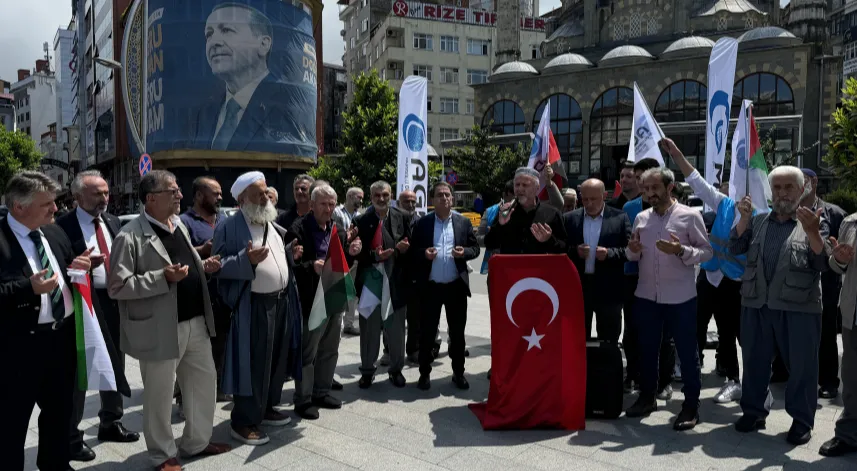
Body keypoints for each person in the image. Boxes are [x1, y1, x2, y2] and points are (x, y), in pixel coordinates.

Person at [108, 170, 230, 471]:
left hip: (196, 322)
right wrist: (161, 277)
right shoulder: (129, 236)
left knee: (203, 384)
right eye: (172, 191)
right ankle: (162, 455)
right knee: (159, 396)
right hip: (159, 328)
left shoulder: (179, 225)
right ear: (151, 198)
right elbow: (118, 286)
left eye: (178, 190)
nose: (179, 195)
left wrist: (203, 266)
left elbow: (185, 264)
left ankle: (197, 442)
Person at [729, 166, 830, 446]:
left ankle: (802, 421)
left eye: (788, 187)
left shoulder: (814, 220)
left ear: (802, 190)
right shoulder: (758, 221)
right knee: (754, 362)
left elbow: (823, 263)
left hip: (799, 307)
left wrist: (813, 232)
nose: (782, 193)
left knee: (802, 367)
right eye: (777, 187)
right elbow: (735, 248)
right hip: (757, 304)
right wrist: (743, 220)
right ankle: (753, 412)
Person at [2, 171, 92, 471]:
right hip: (18, 349)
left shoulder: (54, 232)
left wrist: (77, 268)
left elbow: (64, 271)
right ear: (19, 207)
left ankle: (56, 465)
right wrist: (27, 288)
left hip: (61, 341)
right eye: (47, 204)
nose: (56, 208)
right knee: (11, 423)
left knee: (59, 414)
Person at [213, 171, 303, 446]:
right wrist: (246, 260)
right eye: (258, 194)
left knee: (275, 360)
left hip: (281, 301)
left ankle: (266, 408)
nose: (265, 198)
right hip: (253, 306)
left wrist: (290, 256)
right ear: (242, 199)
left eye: (265, 192)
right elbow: (217, 267)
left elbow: (276, 258)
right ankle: (243, 421)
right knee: (253, 364)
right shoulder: (228, 227)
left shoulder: (270, 222)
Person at [56, 170, 137, 463]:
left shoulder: (112, 221)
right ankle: (71, 436)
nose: (104, 198)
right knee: (81, 367)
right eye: (97, 194)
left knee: (115, 361)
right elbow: (57, 267)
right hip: (83, 302)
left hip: (114, 300)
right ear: (78, 196)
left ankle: (111, 421)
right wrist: (80, 265)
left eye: (106, 192)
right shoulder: (62, 227)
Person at [624, 166, 712, 431]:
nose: (650, 193)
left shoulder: (689, 216)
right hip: (646, 296)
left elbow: (706, 252)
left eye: (655, 188)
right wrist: (632, 250)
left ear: (670, 187)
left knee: (687, 353)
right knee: (647, 350)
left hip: (680, 299)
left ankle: (691, 405)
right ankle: (647, 397)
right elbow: (633, 256)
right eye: (646, 189)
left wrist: (680, 250)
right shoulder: (641, 218)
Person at [663, 138, 747, 404]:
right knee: (696, 324)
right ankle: (690, 368)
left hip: (735, 281)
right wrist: (677, 154)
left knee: (730, 331)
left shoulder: (760, 214)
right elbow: (697, 181)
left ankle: (735, 380)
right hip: (709, 276)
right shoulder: (724, 203)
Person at [191, 3, 314, 156]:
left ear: (263, 44)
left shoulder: (288, 104)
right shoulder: (205, 114)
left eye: (226, 30)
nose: (214, 42)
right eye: (209, 34)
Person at [287, 185, 361, 419]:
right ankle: (303, 399)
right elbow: (291, 266)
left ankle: (321, 392)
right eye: (323, 204)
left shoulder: (336, 229)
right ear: (311, 205)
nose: (328, 209)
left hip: (333, 294)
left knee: (329, 349)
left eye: (331, 204)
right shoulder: (298, 229)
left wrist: (352, 252)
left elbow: (343, 260)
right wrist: (312, 266)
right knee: (308, 354)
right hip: (311, 299)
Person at [411, 182, 480, 390]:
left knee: (457, 334)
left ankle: (458, 372)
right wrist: (424, 254)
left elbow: (475, 248)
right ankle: (424, 373)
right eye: (439, 195)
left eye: (447, 194)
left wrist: (464, 253)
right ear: (432, 200)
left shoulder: (462, 222)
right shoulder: (423, 223)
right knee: (427, 333)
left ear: (452, 198)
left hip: (455, 287)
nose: (444, 198)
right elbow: (413, 251)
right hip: (430, 287)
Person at [621, 158, 675, 395]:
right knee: (633, 330)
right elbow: (626, 243)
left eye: (651, 182)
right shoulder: (629, 208)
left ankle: (665, 380)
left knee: (665, 333)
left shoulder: (673, 207)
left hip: (665, 277)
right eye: (640, 179)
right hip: (634, 277)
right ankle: (633, 375)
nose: (644, 185)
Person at [352, 180, 413, 389]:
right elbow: (356, 252)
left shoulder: (403, 217)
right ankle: (367, 371)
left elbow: (411, 246)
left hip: (395, 280)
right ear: (371, 198)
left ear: (391, 196)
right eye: (377, 195)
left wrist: (401, 250)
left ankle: (396, 370)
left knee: (396, 330)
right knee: (369, 330)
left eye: (385, 195)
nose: (381, 198)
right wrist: (374, 256)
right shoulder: (361, 220)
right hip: (371, 281)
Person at [179, 176, 231, 403]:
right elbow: (179, 255)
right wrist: (202, 250)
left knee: (220, 343)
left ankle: (217, 386)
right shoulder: (184, 222)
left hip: (222, 295)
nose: (220, 197)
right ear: (199, 195)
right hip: (196, 297)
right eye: (215, 193)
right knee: (192, 349)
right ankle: (184, 395)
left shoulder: (224, 220)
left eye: (220, 193)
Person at [564, 178, 631, 343]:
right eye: (585, 199)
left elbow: (630, 251)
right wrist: (575, 251)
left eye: (593, 199)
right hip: (579, 288)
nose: (589, 203)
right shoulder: (569, 219)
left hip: (609, 289)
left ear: (604, 195)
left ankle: (609, 360)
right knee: (576, 339)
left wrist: (609, 253)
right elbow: (560, 248)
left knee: (609, 340)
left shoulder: (619, 218)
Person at [800, 168, 847, 399]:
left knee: (826, 332)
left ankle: (828, 381)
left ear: (815, 181)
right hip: (796, 284)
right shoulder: (789, 212)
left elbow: (844, 250)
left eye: (805, 180)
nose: (802, 184)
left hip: (826, 285)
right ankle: (783, 372)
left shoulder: (835, 214)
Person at [820, 213, 857, 457]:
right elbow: (836, 265)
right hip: (853, 314)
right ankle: (848, 434)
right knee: (852, 380)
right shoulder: (850, 223)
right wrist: (839, 259)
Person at [484, 167, 566, 255]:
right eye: (517, 185)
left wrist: (549, 240)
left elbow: (564, 248)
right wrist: (500, 225)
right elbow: (489, 244)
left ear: (537, 188)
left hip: (539, 264)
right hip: (511, 264)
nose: (520, 189)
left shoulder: (552, 213)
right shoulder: (506, 212)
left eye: (525, 185)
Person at [333, 187, 364, 336]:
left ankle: (349, 323)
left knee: (352, 292)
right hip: (340, 258)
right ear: (350, 196)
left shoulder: (359, 216)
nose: (361, 201)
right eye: (359, 197)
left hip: (355, 259)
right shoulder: (337, 213)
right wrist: (348, 236)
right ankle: (337, 325)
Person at [477, 180, 515, 275]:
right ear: (504, 194)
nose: (514, 202)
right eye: (512, 197)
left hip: (518, 265)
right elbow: (478, 238)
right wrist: (491, 236)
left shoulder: (524, 211)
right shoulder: (490, 212)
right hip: (496, 266)